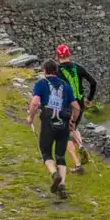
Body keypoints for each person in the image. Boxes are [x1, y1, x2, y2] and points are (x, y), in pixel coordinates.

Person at [27, 59, 80, 198]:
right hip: (63, 122)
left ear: (44, 70)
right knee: (61, 156)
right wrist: (72, 122)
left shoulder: (41, 84)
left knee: (46, 152)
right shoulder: (66, 86)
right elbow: (76, 107)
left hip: (48, 122)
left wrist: (30, 117)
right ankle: (62, 186)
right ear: (56, 71)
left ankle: (54, 174)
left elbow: (35, 102)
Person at [55, 44, 98, 174]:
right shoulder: (77, 68)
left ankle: (78, 165)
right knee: (74, 127)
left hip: (66, 105)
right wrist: (89, 99)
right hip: (79, 104)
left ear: (57, 56)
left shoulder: (57, 71)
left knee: (64, 135)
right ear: (69, 55)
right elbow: (93, 82)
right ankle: (80, 146)